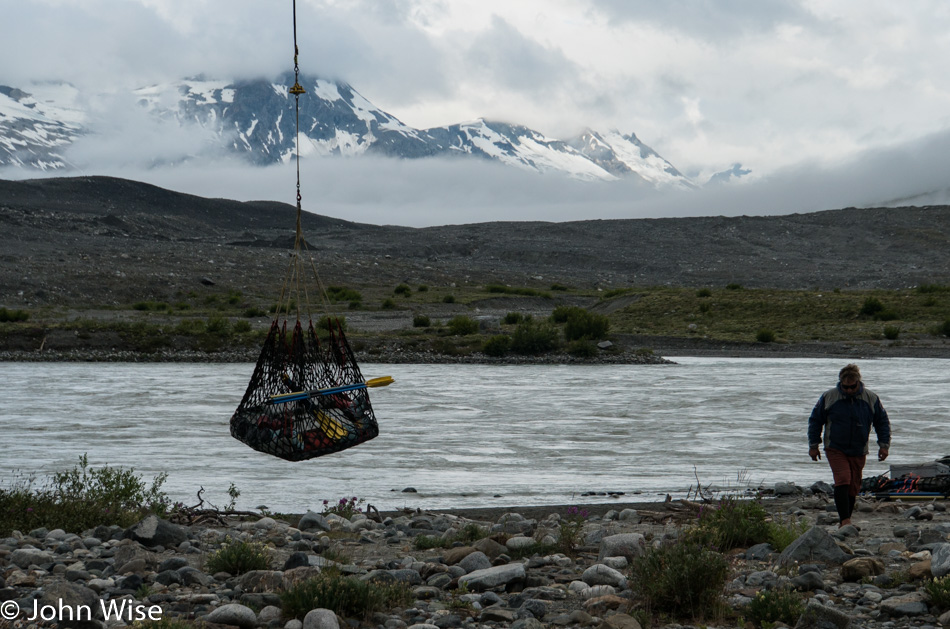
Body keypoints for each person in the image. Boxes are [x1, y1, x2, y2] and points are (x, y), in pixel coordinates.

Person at [807, 363, 891, 528]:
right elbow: (815, 421)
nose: (849, 390)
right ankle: (845, 520)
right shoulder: (829, 397)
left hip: (859, 449)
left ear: (858, 382)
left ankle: (845, 520)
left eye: (853, 387)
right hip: (835, 447)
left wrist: (884, 445)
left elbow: (882, 423)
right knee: (843, 479)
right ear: (841, 383)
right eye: (846, 387)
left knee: (853, 486)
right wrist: (813, 445)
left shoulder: (871, 398)